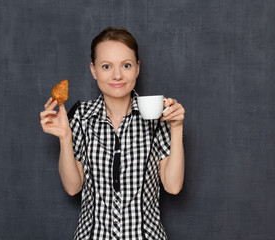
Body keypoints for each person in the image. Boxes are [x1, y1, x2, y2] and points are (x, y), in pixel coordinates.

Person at [40, 27, 185, 240]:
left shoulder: (160, 114)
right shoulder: (80, 116)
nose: (117, 75)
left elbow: (172, 187)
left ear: (137, 68)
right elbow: (72, 188)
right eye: (106, 66)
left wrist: (177, 127)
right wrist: (65, 136)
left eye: (126, 65)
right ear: (94, 70)